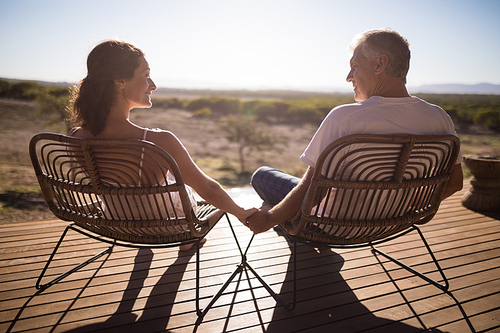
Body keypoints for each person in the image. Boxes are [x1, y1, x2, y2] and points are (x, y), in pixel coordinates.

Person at [246, 28, 464, 234]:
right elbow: (455, 183)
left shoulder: (345, 118)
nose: (349, 76)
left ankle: (288, 229)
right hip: (391, 224)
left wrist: (270, 217)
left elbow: (312, 192)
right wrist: (401, 208)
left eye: (355, 65)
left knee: (262, 176)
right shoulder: (439, 118)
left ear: (380, 64)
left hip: (330, 226)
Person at [68, 40, 256, 250]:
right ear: (120, 80)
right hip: (168, 226)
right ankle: (189, 238)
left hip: (116, 220)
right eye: (146, 75)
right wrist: (242, 213)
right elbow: (210, 191)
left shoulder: (76, 137)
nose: (153, 85)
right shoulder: (159, 141)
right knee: (204, 194)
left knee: (166, 179)